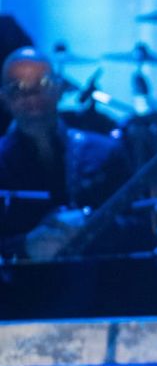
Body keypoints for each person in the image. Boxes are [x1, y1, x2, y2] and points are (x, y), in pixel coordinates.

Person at [0, 47, 136, 260]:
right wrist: (24, 246)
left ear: (60, 88)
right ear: (4, 97)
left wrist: (91, 225)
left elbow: (140, 227)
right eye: (18, 88)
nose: (32, 96)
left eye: (43, 84)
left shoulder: (105, 152)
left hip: (99, 276)